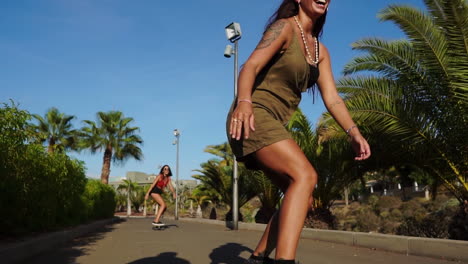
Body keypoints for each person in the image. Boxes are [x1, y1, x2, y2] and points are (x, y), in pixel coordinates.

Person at [226, 0, 371, 263]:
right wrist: (244, 102)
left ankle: (258, 257)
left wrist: (353, 132)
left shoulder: (320, 51)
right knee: (305, 175)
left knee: (302, 197)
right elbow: (251, 66)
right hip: (252, 113)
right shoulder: (283, 28)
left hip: (272, 122)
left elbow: (333, 98)